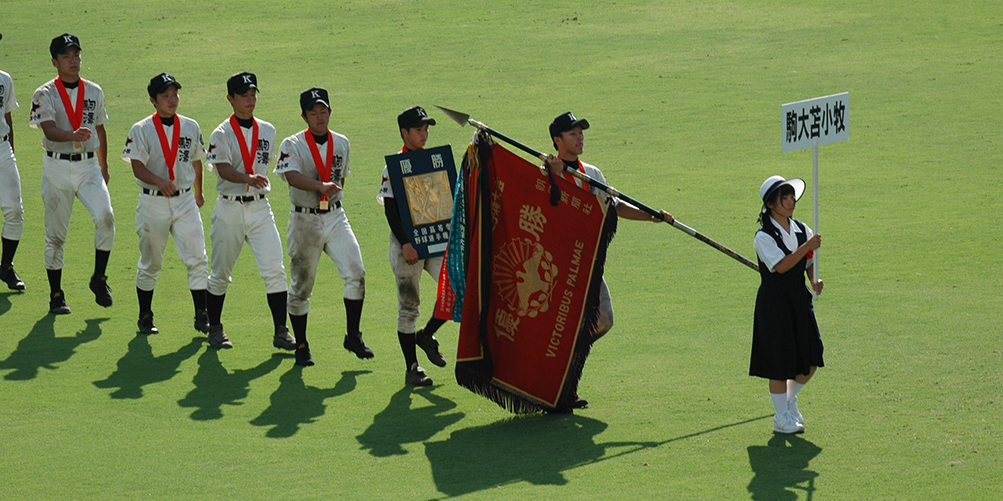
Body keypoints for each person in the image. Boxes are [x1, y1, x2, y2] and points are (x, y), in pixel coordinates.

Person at [543, 111, 673, 408]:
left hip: (588, 262)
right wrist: (555, 175)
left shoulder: (592, 173)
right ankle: (562, 389)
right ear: (557, 140)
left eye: (581, 132)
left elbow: (614, 207)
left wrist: (650, 216)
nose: (580, 138)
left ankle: (563, 372)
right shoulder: (547, 172)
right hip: (556, 265)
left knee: (602, 320)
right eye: (573, 134)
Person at [273, 87, 371, 367]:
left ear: (330, 112)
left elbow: (342, 179)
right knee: (302, 286)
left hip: (336, 216)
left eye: (324, 111)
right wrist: (320, 186)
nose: (320, 117)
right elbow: (290, 176)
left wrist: (330, 195)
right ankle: (302, 344)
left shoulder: (342, 142)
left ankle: (353, 336)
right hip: (304, 219)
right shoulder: (291, 144)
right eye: (313, 113)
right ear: (304, 116)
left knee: (356, 272)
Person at [203, 72, 294, 352]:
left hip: (259, 207)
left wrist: (254, 182)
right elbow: (223, 169)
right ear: (230, 99)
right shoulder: (221, 133)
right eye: (244, 95)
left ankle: (281, 331)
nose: (250, 99)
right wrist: (248, 178)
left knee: (275, 270)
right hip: (229, 207)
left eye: (253, 93)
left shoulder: (267, 129)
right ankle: (215, 328)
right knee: (220, 273)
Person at [28, 33, 114, 314]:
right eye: (66, 56)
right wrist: (72, 134)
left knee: (106, 217)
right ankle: (56, 294)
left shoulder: (94, 91)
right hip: (57, 167)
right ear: (54, 61)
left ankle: (99, 278)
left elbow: (100, 128)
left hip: (89, 166)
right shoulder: (44, 93)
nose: (73, 60)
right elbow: (49, 130)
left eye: (76, 55)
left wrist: (104, 164)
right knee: (55, 235)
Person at [121, 73, 209, 335]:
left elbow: (196, 160)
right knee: (151, 263)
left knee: (198, 258)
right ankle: (145, 315)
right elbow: (137, 167)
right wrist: (159, 181)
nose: (172, 100)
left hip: (184, 202)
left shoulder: (190, 126)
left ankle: (202, 315)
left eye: (174, 95)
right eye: (165, 96)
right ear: (153, 100)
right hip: (153, 203)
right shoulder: (141, 129)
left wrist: (199, 191)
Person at [377, 106, 448, 386]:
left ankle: (426, 334)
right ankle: (412, 369)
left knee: (458, 288)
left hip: (435, 240)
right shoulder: (393, 166)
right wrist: (406, 243)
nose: (424, 134)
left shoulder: (434, 160)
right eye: (419, 129)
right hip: (407, 246)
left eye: (426, 128)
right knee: (409, 306)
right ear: (404, 132)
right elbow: (391, 210)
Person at [751, 175, 824, 434]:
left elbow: (806, 261)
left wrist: (814, 279)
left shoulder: (801, 228)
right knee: (779, 364)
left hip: (799, 300)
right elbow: (781, 266)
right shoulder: (763, 236)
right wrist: (807, 246)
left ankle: (789, 399)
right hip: (775, 304)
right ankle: (781, 417)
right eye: (785, 197)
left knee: (813, 356)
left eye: (792, 196)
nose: (791, 201)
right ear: (771, 204)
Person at [0, 57, 26, 291]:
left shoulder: (4, 79)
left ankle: (6, 267)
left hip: (2, 150)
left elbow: (8, 116)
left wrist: (12, 151)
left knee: (15, 210)